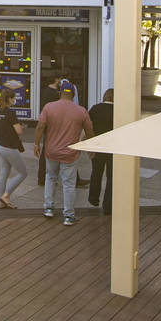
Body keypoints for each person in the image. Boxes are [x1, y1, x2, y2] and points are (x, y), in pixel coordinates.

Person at [34, 79, 93, 226]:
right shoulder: (81, 111)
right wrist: (90, 148)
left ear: (60, 93)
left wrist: (36, 143)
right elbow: (90, 131)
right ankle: (68, 215)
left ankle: (48, 208)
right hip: (70, 154)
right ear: (73, 94)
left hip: (51, 151)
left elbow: (40, 126)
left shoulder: (49, 107)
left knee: (50, 177)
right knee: (68, 184)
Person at [0, 88, 26, 209]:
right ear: (9, 99)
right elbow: (18, 131)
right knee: (23, 173)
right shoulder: (11, 113)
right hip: (9, 147)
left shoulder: (0, 110)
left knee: (4, 172)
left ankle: (1, 202)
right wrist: (22, 127)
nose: (15, 100)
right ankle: (6, 196)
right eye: (14, 98)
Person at [88, 89, 115, 213]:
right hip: (112, 147)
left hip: (97, 146)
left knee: (96, 172)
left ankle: (93, 198)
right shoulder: (117, 111)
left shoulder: (95, 108)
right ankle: (108, 205)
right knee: (111, 176)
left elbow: (89, 127)